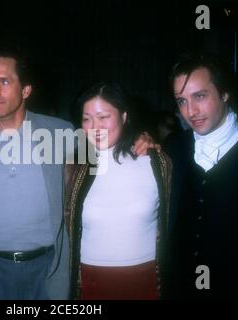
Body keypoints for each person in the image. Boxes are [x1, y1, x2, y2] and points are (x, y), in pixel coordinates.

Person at [0, 47, 73, 299]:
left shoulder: (61, 133)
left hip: (49, 267)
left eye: (4, 81)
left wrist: (139, 140)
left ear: (26, 90)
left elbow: (106, 156)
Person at [163, 52, 238, 298]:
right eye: (181, 101)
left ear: (224, 93)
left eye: (200, 96)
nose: (190, 111)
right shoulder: (173, 147)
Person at [64, 81, 172, 299]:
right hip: (90, 279)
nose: (94, 127)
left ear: (124, 117)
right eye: (87, 119)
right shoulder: (73, 167)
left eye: (104, 117)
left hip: (146, 278)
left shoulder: (156, 161)